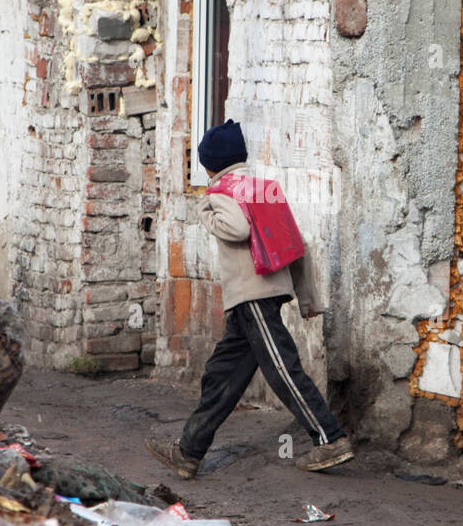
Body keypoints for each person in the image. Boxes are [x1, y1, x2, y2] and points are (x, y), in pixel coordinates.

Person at [146, 120, 353, 478]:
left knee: (282, 370)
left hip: (252, 297)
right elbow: (296, 243)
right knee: (222, 375)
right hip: (259, 297)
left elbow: (237, 230)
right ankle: (188, 452)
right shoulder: (262, 188)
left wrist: (207, 213)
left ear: (210, 164)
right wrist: (306, 297)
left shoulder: (221, 192)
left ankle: (330, 439)